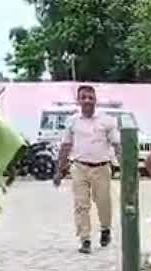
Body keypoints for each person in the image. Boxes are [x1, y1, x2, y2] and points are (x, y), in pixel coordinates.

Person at [54, 85, 120, 254]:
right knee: (81, 205)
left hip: (101, 168)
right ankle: (85, 239)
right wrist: (59, 170)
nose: (87, 101)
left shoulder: (106, 121)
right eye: (83, 97)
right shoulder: (72, 121)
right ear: (78, 101)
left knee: (103, 202)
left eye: (90, 97)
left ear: (95, 100)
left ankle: (105, 229)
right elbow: (66, 146)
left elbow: (117, 145)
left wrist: (125, 167)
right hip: (79, 167)